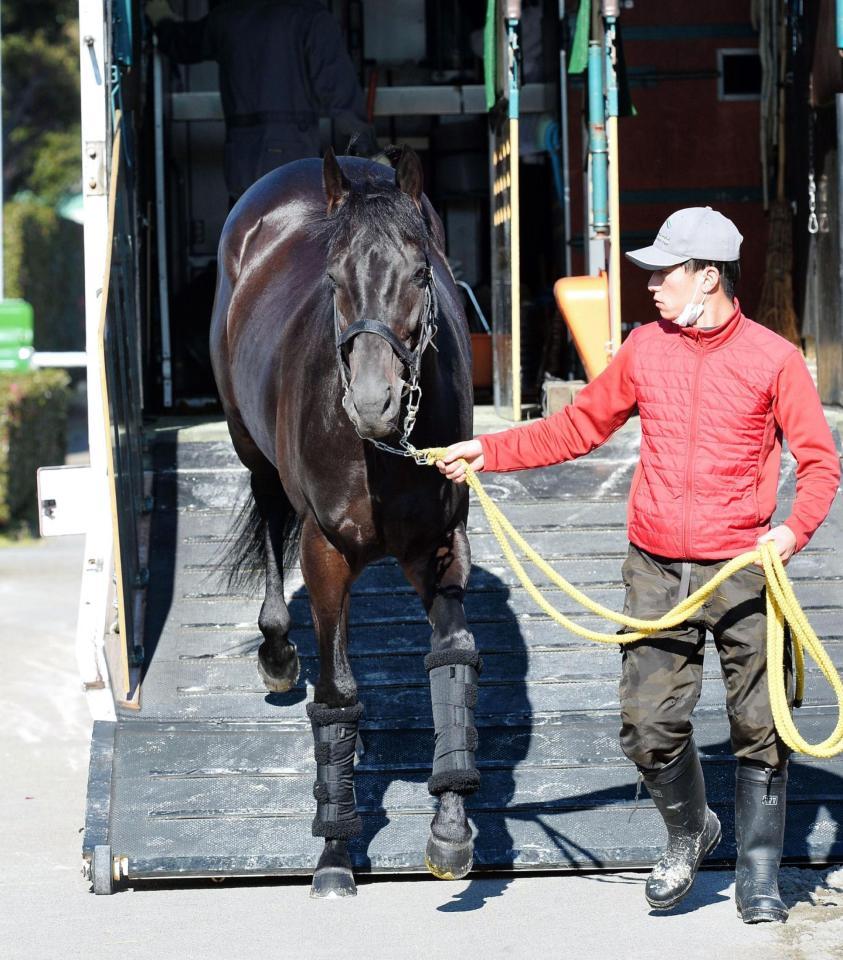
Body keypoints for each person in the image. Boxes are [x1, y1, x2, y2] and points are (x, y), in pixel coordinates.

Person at [436, 207, 841, 923]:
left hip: (744, 568)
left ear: (707, 277)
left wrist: (790, 532)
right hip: (654, 566)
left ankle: (757, 875)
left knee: (761, 722)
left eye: (663, 272)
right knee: (646, 726)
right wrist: (487, 452)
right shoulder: (643, 350)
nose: (649, 285)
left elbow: (818, 464)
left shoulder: (772, 359)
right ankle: (689, 832)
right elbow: (578, 425)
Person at [145, 0, 378, 201]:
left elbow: (182, 44)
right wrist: (369, 152)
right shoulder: (311, 17)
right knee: (297, 244)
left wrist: (161, 17)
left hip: (241, 163)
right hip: (295, 161)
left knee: (245, 245)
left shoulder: (229, 16)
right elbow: (339, 92)